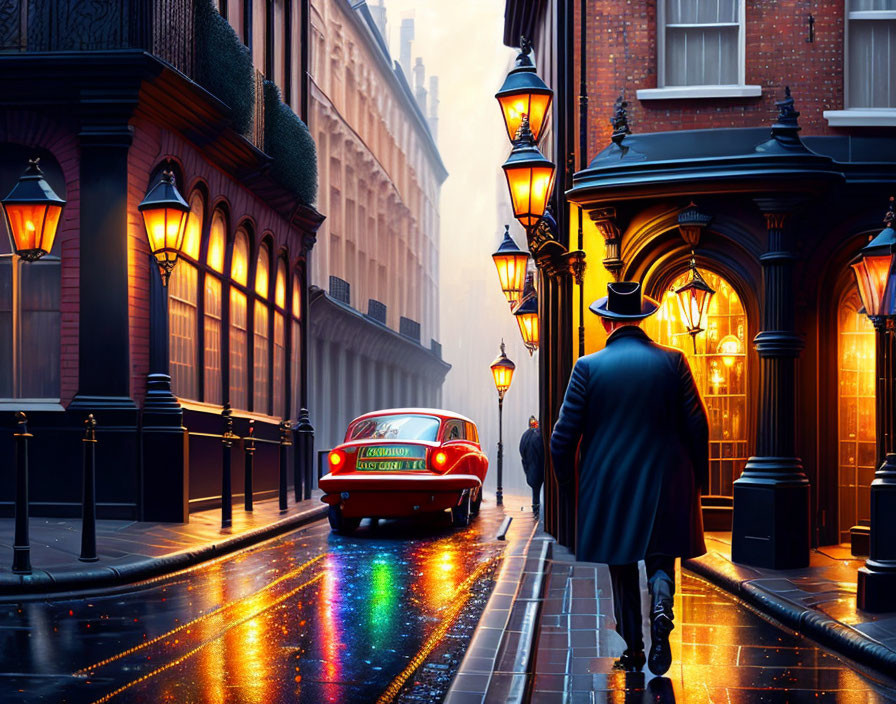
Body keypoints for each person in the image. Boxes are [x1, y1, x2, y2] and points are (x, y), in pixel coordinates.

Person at [550, 281, 708, 676]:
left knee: (620, 565)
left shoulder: (587, 367)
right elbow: (698, 426)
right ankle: (661, 603)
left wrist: (570, 489)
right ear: (640, 319)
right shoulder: (674, 361)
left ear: (606, 322)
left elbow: (561, 439)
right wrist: (695, 480)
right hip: (668, 480)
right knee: (660, 558)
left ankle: (634, 650)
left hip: (610, 485)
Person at [519, 415, 544, 515]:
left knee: (535, 490)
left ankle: (536, 509)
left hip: (530, 467)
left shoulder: (525, 436)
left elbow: (522, 451)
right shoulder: (539, 435)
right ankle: (540, 510)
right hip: (540, 466)